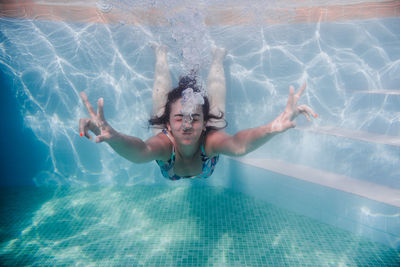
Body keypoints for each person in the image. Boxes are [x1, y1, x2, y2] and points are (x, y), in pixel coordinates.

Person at [79, 45, 316, 180]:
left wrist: (271, 129)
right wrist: (114, 137)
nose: (186, 124)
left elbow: (238, 144)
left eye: (194, 119)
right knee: (163, 104)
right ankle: (161, 52)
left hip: (203, 139)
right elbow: (141, 151)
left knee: (216, 114)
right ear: (169, 126)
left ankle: (217, 56)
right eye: (179, 118)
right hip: (174, 141)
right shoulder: (165, 143)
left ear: (203, 124)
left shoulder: (209, 139)